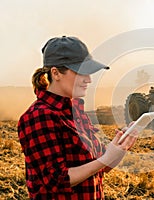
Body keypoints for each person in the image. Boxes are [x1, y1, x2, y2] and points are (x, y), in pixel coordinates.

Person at [17, 36, 137, 199]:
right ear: (56, 73)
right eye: (81, 72)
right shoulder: (39, 116)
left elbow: (101, 167)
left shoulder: (76, 113)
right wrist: (105, 159)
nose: (88, 79)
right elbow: (56, 181)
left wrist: (121, 146)